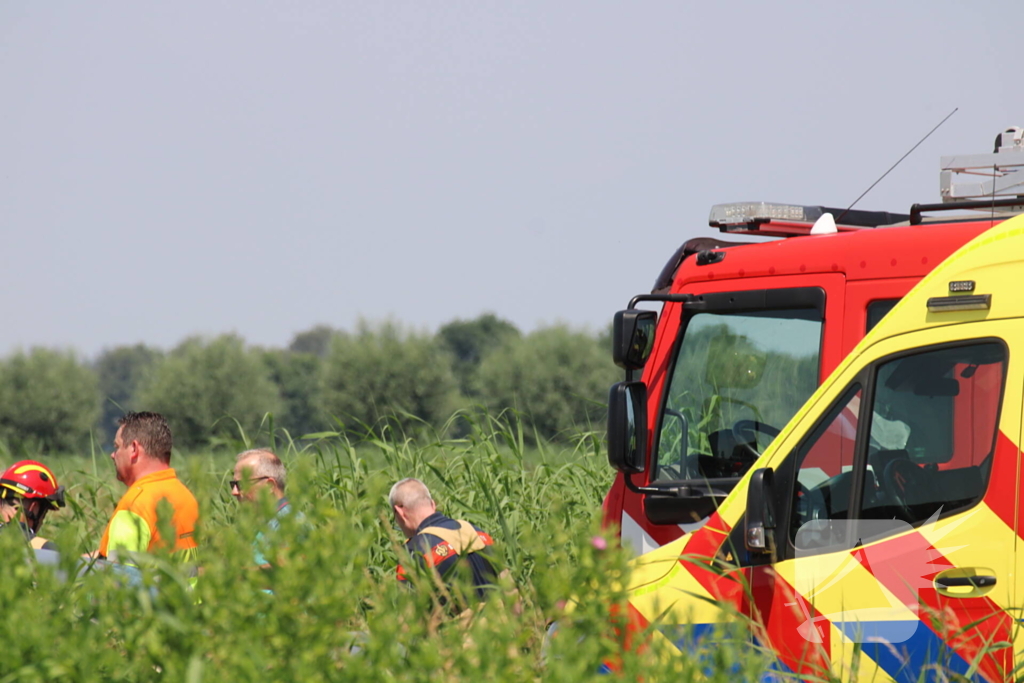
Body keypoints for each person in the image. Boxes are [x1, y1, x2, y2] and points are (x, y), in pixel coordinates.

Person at [95, 412, 199, 567]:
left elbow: (121, 578)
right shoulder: (185, 495)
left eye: (117, 447)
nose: (112, 454)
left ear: (134, 449)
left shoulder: (136, 505)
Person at [390, 478, 497, 602]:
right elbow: (511, 590)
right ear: (433, 504)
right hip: (500, 619)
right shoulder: (477, 532)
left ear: (399, 512)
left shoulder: (414, 551)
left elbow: (408, 612)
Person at [231, 448, 292, 568]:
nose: (234, 492)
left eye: (241, 485)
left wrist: (234, 577)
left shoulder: (290, 521)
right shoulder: (259, 522)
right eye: (233, 485)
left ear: (269, 486)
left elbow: (289, 568)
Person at [0, 460, 66, 551]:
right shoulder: (22, 540)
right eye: (44, 513)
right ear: (34, 508)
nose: (42, 522)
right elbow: (70, 561)